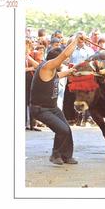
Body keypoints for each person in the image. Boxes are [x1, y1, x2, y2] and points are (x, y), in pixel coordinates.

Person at [30, 34, 84, 165]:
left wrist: (70, 71)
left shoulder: (50, 71)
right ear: (55, 60)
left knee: (67, 129)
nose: (64, 62)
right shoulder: (47, 66)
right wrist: (76, 40)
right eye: (61, 61)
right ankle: (55, 154)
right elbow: (64, 55)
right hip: (41, 109)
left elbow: (57, 75)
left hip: (52, 108)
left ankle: (66, 156)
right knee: (62, 129)